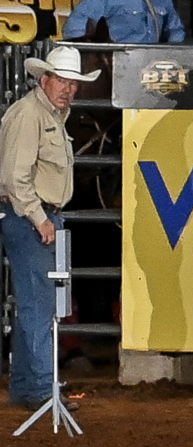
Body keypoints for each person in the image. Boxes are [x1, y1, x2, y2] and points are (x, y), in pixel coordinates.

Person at [0, 47, 98, 412]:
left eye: (72, 83)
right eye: (62, 81)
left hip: (36, 218)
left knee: (36, 305)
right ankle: (40, 388)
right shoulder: (30, 115)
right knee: (40, 306)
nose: (68, 89)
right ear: (45, 79)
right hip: (31, 219)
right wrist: (39, 218)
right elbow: (15, 177)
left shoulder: (45, 114)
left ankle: (30, 387)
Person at [62, 0, 185, 43]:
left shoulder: (163, 1)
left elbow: (176, 29)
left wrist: (170, 53)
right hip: (118, 64)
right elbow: (73, 28)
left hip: (151, 64)